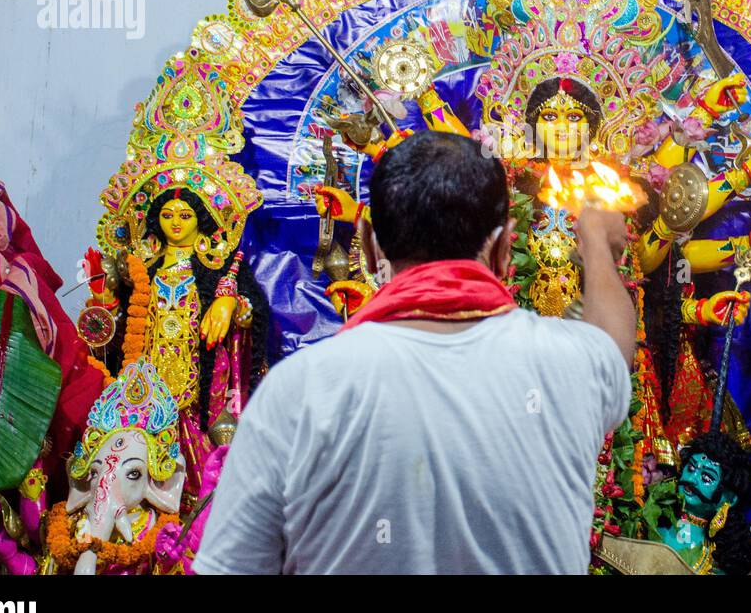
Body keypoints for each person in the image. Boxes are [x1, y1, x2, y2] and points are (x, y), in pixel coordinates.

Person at [194, 129, 637, 573]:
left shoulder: (299, 390)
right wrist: (598, 246)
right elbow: (612, 346)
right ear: (506, 248)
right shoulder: (568, 366)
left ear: (370, 248)